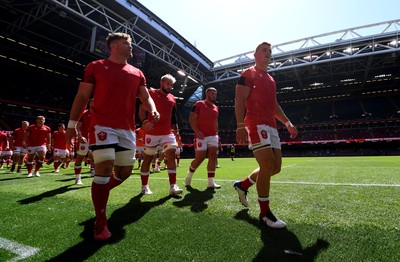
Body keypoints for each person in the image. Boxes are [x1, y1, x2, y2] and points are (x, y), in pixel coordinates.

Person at [66, 32, 159, 241]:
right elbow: (82, 96)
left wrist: (152, 108)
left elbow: (146, 97)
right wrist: (72, 124)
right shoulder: (95, 67)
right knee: (105, 167)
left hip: (127, 129)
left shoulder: (137, 72)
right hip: (102, 125)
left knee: (124, 172)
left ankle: (100, 192)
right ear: (114, 45)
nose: (131, 47)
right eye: (127, 43)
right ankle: (100, 222)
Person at [234, 42, 298, 229]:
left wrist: (287, 123)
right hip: (255, 123)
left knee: (275, 168)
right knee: (267, 164)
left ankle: (243, 185)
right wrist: (239, 125)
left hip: (271, 125)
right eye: (264, 50)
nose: (268, 53)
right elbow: (239, 100)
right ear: (255, 54)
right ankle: (265, 214)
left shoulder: (271, 79)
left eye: (270, 51)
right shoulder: (248, 73)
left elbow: (274, 105)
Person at [139, 74, 183, 196]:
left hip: (167, 132)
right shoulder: (151, 93)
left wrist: (177, 131)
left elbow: (174, 116)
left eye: (171, 85)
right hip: (151, 132)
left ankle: (173, 186)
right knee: (148, 159)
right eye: (168, 84)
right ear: (161, 82)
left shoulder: (172, 98)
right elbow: (142, 109)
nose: (169, 87)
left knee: (171, 153)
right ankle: (144, 186)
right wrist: (144, 122)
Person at [185, 87, 221, 189]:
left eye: (215, 93)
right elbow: (192, 118)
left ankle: (211, 182)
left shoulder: (215, 107)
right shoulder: (199, 104)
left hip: (213, 135)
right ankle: (189, 176)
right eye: (212, 93)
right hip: (201, 135)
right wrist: (197, 132)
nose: (214, 95)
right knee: (200, 158)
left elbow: (215, 122)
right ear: (207, 94)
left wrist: (217, 135)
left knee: (213, 157)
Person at [74, 98, 94, 184]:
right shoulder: (84, 113)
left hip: (95, 139)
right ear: (90, 103)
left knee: (95, 157)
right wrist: (80, 136)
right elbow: (77, 127)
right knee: (80, 158)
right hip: (84, 139)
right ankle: (78, 178)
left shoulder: (100, 113)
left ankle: (94, 173)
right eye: (93, 102)